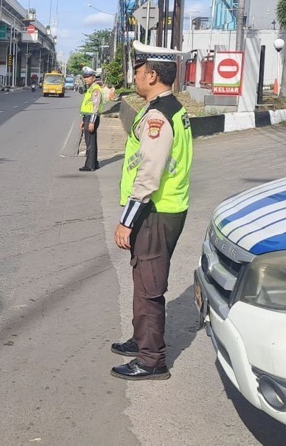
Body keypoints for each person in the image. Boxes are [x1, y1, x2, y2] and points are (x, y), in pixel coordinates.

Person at [110, 41, 192, 382]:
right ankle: (141, 339)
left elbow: (148, 175)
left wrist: (126, 222)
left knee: (149, 286)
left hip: (156, 211)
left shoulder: (159, 116)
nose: (136, 77)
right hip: (165, 207)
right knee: (142, 277)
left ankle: (152, 359)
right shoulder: (169, 108)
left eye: (139, 72)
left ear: (153, 74)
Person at [78, 67, 103, 172]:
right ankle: (94, 163)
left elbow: (95, 106)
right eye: (84, 77)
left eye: (88, 77)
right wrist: (84, 121)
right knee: (90, 141)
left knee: (90, 142)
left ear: (93, 77)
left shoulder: (95, 89)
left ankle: (90, 165)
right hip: (87, 117)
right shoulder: (90, 88)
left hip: (92, 117)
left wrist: (91, 122)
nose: (85, 79)